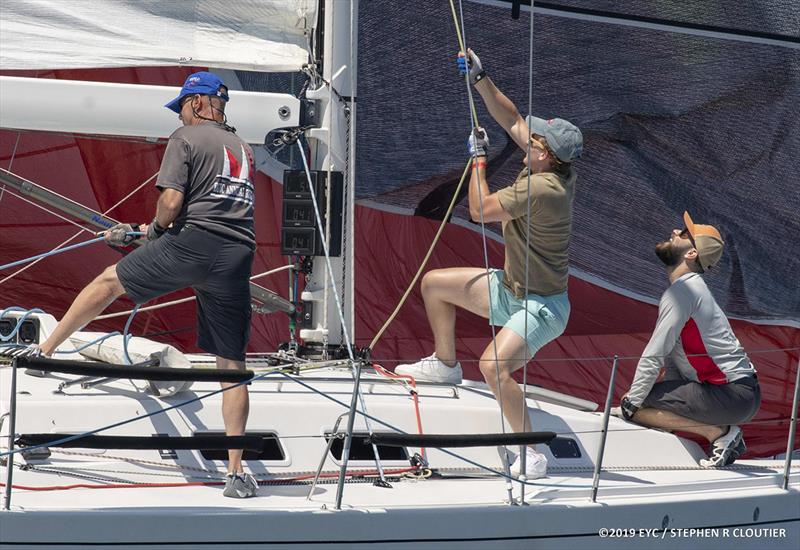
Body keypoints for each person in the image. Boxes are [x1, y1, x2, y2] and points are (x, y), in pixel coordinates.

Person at [22, 72, 260, 497]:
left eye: (184, 106)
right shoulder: (242, 147)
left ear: (200, 103)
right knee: (232, 368)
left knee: (109, 281)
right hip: (237, 254)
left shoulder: (185, 139)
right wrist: (147, 232)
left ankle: (44, 351)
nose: (182, 115)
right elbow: (217, 207)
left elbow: (171, 204)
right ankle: (237, 472)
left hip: (195, 245)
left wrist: (151, 229)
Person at [395, 50, 583, 479]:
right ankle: (445, 365)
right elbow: (513, 119)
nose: (527, 139)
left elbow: (479, 210)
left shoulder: (544, 189)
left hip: (542, 307)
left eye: (535, 141)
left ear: (545, 155)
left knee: (493, 367)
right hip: (512, 288)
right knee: (434, 284)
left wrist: (478, 160)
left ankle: (530, 451)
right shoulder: (551, 162)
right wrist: (481, 78)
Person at [615, 212, 760, 468]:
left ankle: (719, 433)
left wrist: (633, 402)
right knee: (640, 401)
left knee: (635, 405)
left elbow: (656, 351)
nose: (674, 231)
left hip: (730, 395)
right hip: (739, 395)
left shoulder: (683, 292)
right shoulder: (692, 289)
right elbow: (673, 361)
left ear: (691, 254)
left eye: (683, 234)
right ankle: (722, 432)